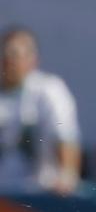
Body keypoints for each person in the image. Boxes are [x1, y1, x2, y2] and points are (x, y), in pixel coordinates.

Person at [0, 27, 81, 195]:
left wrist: (67, 176)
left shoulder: (48, 90)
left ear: (33, 59)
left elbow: (65, 136)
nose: (10, 61)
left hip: (38, 195)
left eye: (16, 54)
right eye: (5, 54)